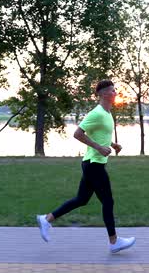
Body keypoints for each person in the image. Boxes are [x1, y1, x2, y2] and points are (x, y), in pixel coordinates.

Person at [36, 79, 136, 253]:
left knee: (81, 199)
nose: (115, 93)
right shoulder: (96, 113)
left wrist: (112, 144)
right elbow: (77, 134)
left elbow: (98, 134)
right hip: (94, 164)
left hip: (92, 163)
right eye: (112, 91)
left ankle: (46, 219)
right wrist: (99, 148)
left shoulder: (107, 113)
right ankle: (114, 242)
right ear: (104, 94)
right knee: (108, 201)